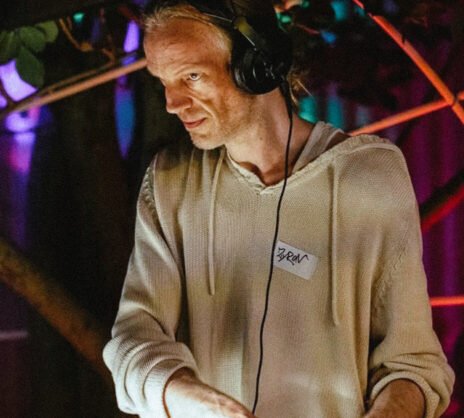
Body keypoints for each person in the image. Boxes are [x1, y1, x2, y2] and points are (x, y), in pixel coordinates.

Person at [103, 1, 454, 417]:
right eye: (163, 82)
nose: (173, 103)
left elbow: (413, 364)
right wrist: (195, 400)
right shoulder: (170, 183)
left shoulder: (370, 176)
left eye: (192, 76)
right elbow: (134, 339)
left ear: (256, 63)